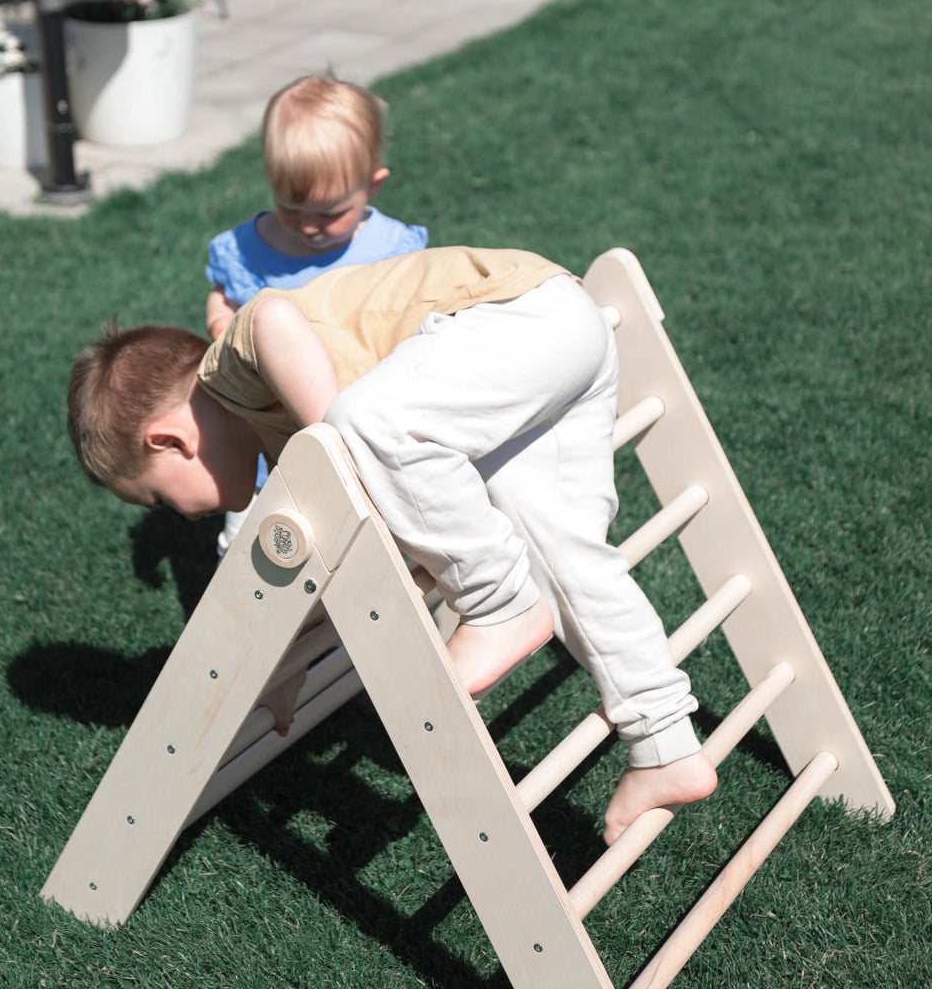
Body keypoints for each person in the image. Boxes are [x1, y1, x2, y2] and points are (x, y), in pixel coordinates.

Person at [68, 246, 718, 845]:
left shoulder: (230, 368)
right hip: (564, 344)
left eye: (156, 498)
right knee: (566, 557)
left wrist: (342, 451)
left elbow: (272, 317)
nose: (175, 516)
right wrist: (281, 671)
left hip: (523, 318)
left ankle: (498, 606)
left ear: (170, 441)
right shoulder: (275, 445)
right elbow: (279, 569)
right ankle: (666, 739)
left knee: (356, 428)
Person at [202, 72, 428, 557]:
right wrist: (222, 324)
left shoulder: (389, 248)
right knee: (250, 546)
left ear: (373, 185)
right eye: (290, 207)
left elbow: (414, 309)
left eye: (330, 213)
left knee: (362, 546)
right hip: (270, 442)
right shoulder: (248, 250)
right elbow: (224, 296)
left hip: (366, 434)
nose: (309, 227)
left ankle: (349, 629)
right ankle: (250, 626)